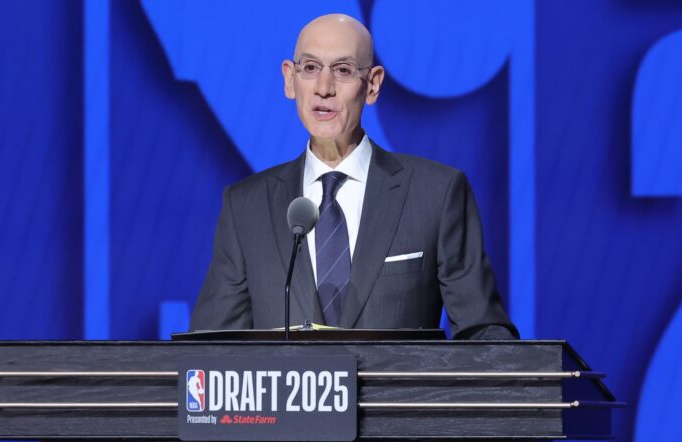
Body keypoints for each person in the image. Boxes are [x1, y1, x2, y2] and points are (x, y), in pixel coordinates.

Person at [190, 14, 517, 339]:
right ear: (289, 79)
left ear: (372, 85)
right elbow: (210, 351)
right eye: (310, 68)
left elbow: (484, 334)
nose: (323, 88)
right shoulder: (246, 207)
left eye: (343, 70)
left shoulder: (436, 193)